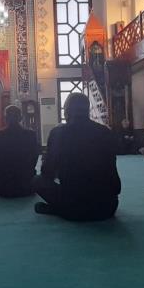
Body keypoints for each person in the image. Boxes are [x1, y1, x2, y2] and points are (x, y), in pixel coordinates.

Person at [33, 93, 121, 221]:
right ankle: (61, 209)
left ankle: (59, 209)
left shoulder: (58, 133)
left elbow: (47, 173)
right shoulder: (105, 131)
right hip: (108, 207)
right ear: (88, 110)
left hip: (74, 206)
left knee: (37, 180)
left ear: (66, 111)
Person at [0, 106, 40, 198]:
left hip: (3, 186)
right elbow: (34, 159)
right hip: (27, 185)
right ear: (21, 118)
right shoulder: (31, 135)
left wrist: (5, 174)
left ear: (5, 119)